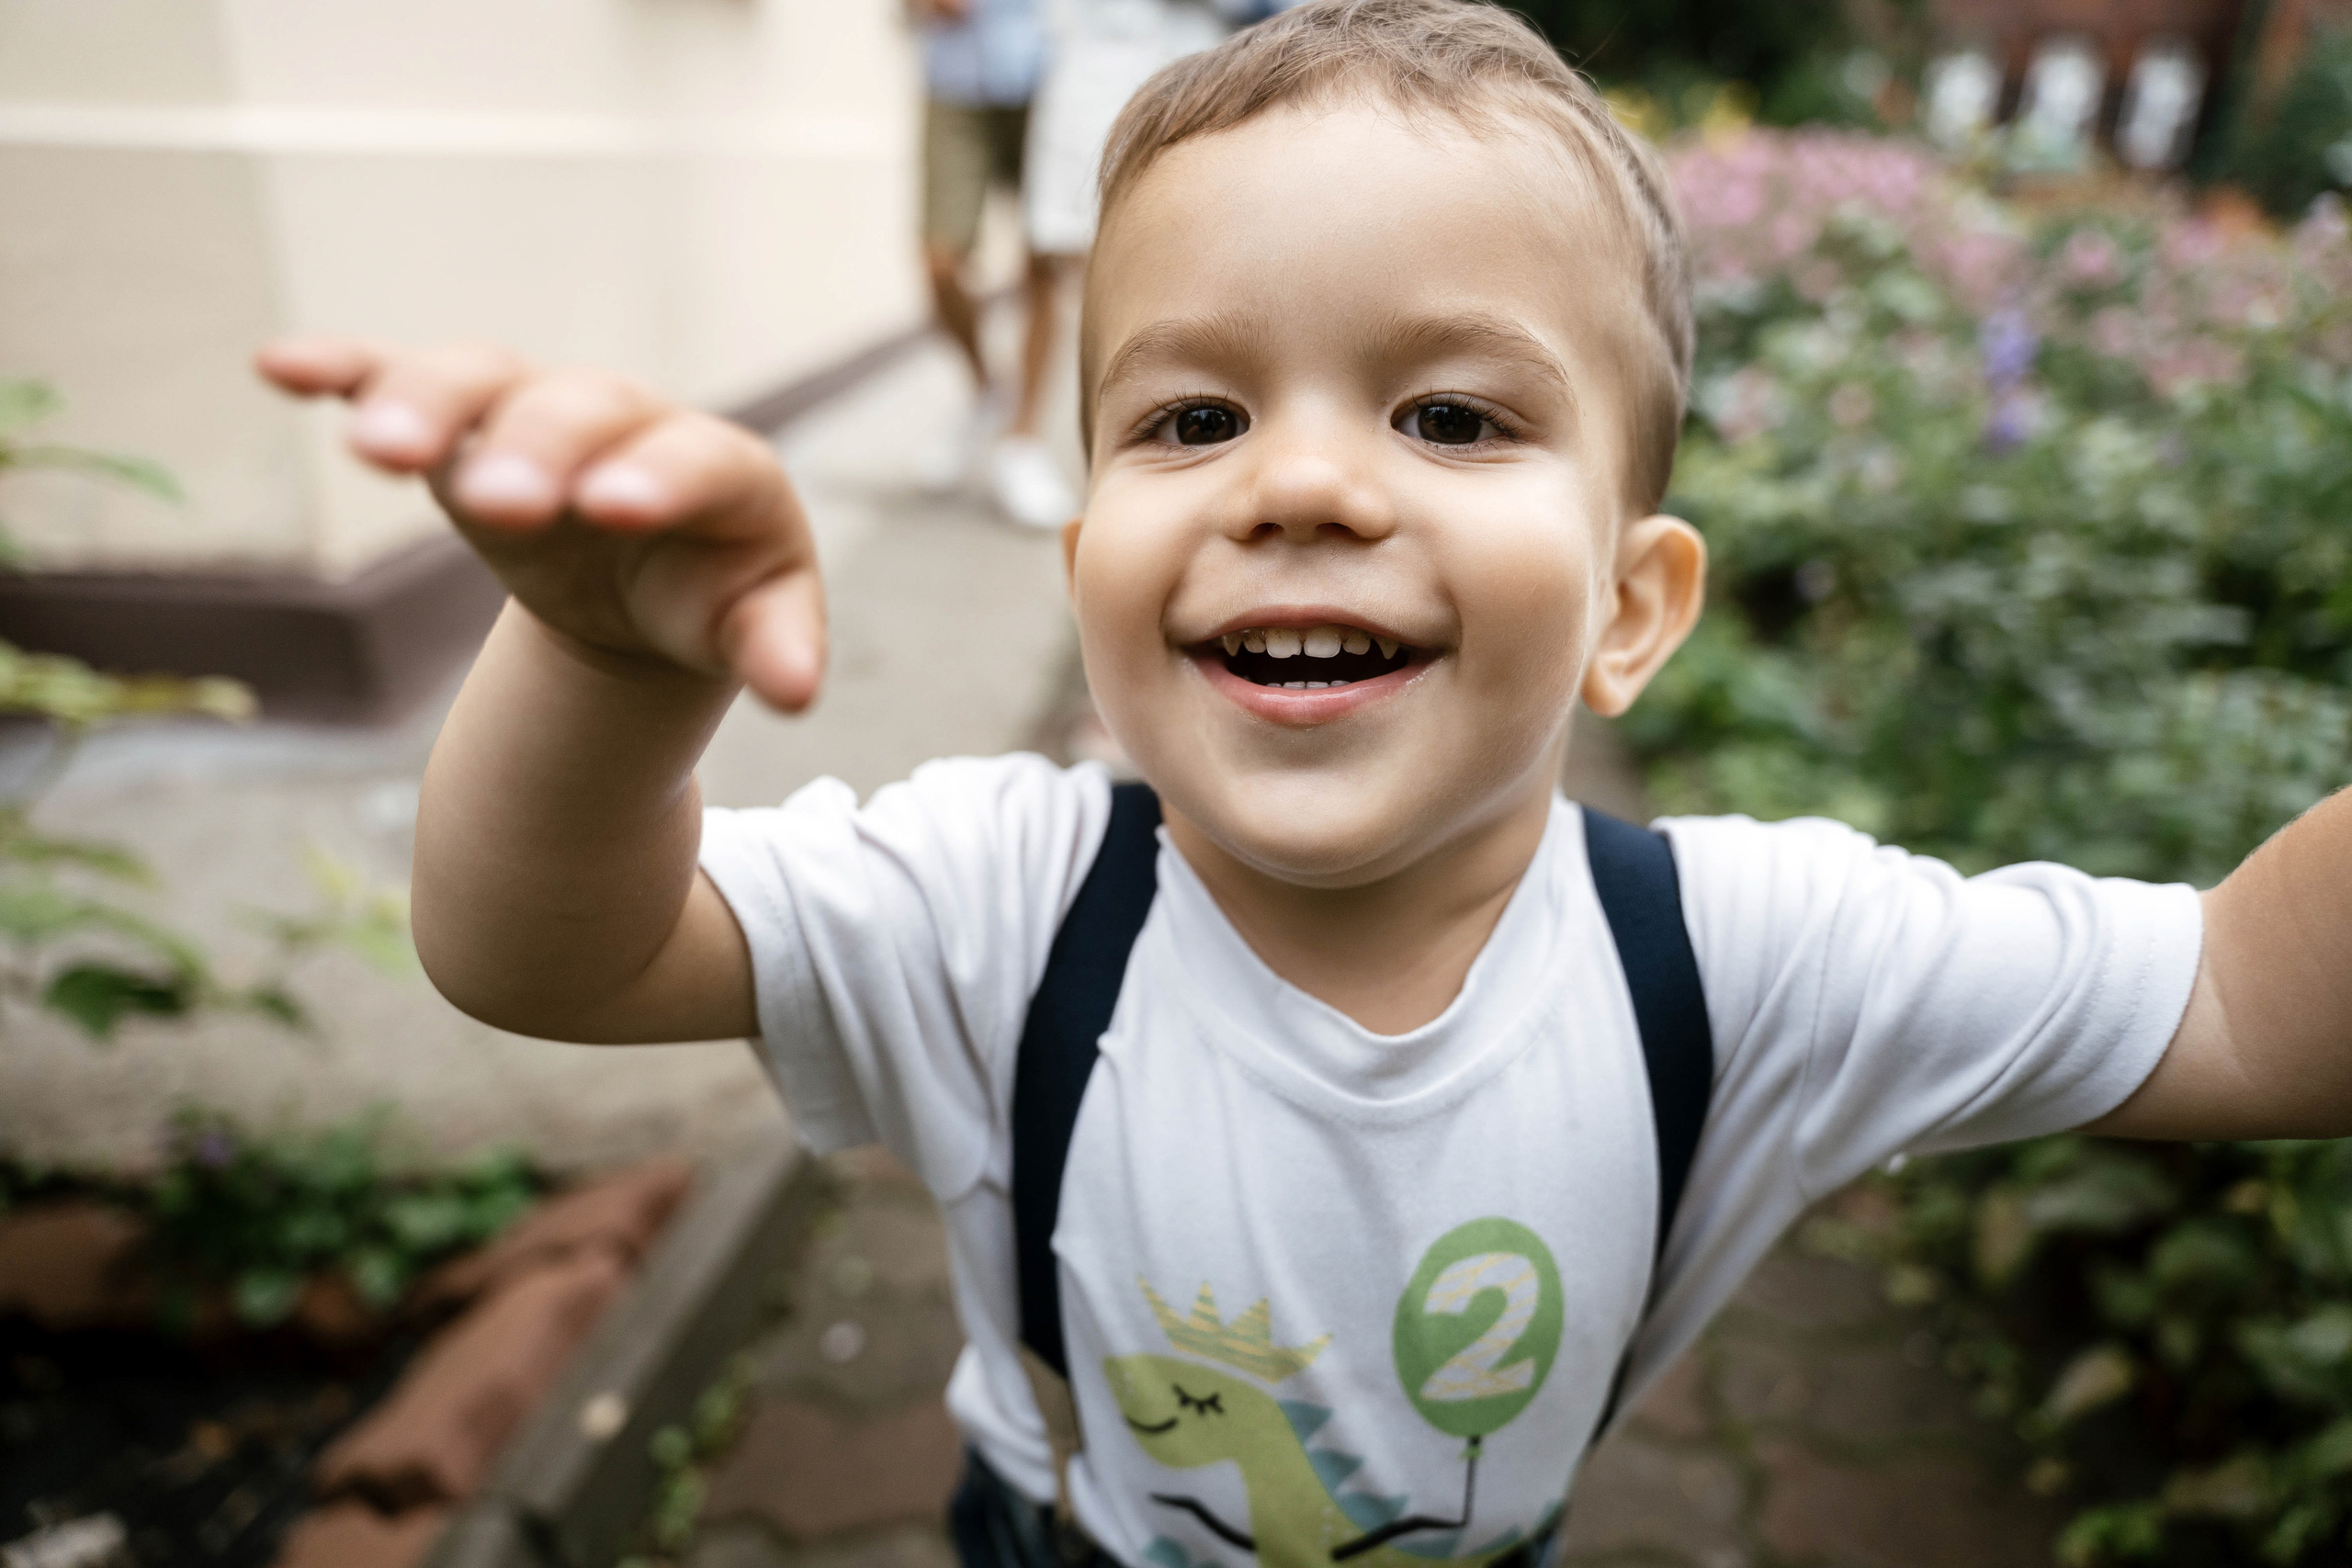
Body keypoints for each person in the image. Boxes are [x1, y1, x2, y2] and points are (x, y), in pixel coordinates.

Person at [254, 3, 2352, 1565]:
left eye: (1446, 411)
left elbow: (2251, 1007)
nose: (1305, 480)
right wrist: (612, 662)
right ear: (1086, 570)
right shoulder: (998, 895)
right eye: (1186, 416)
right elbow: (544, 949)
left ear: (1631, 609)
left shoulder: (1734, 957)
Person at [912, 0, 1080, 529]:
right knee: (939, 262)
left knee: (1044, 263)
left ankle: (1022, 442)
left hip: (1052, 74)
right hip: (955, 75)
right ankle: (988, 389)